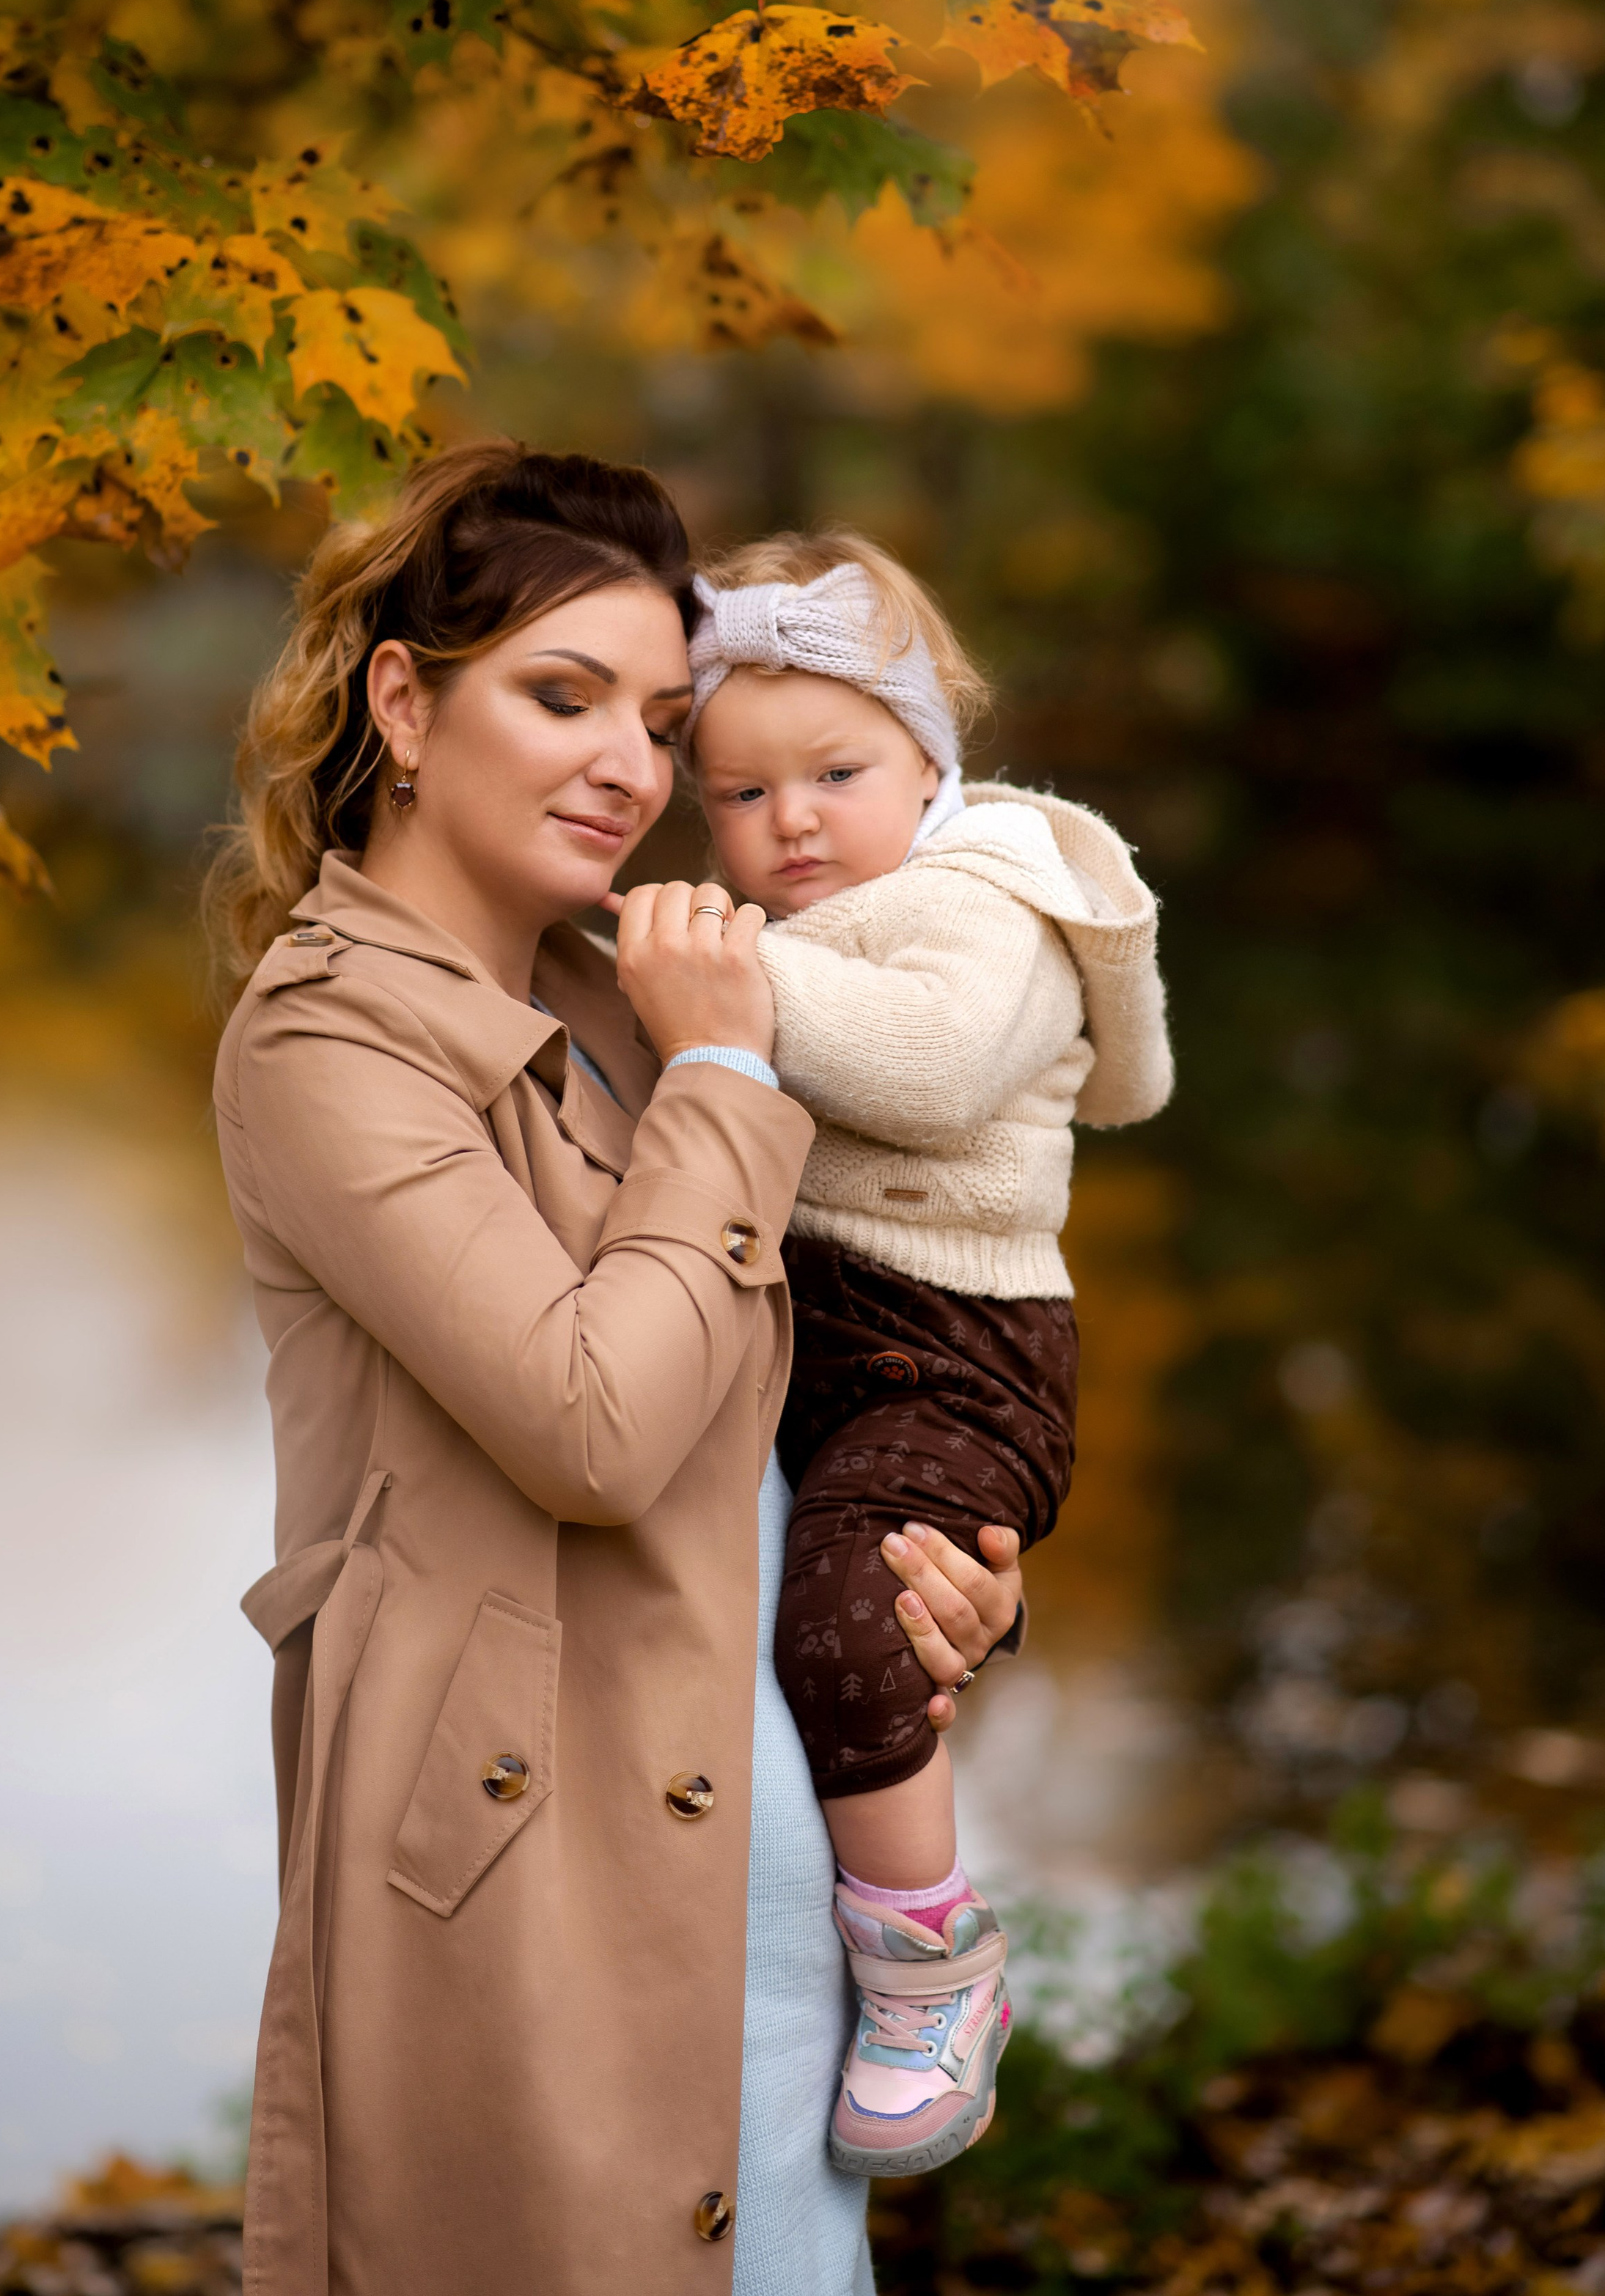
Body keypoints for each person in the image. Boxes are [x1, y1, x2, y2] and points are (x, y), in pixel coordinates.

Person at [205, 443, 1022, 2296]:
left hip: (768, 1835)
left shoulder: (618, 988)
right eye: (558, 696)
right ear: (402, 703)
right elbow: (594, 1422)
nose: (629, 770)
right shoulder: (329, 1039)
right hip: (533, 1886)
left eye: (658, 720)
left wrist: (933, 1556)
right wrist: (728, 1082)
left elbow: (794, 1384)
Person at [683, 531, 1173, 2178]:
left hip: (947, 1350)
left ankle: (928, 1963)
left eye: (834, 770)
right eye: (740, 797)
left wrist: (703, 992)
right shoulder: (793, 924)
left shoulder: (991, 901)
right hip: (804, 1329)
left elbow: (931, 1064)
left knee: (851, 1605)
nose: (790, 823)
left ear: (930, 759)